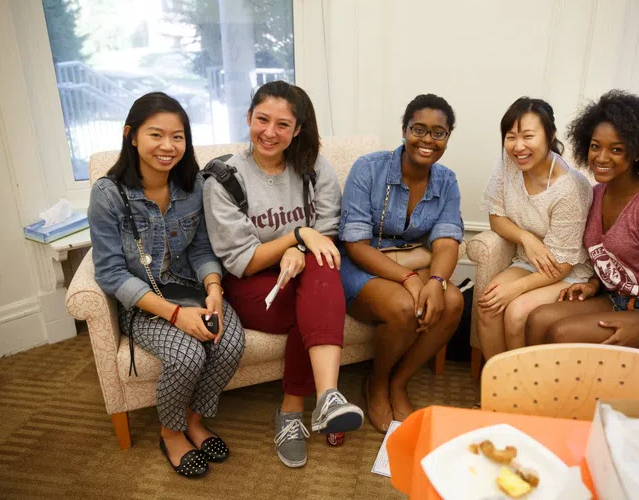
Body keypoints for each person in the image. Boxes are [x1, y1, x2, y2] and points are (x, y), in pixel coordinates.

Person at [202, 80, 363, 469]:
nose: (270, 133)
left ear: (297, 131)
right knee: (317, 304)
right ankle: (313, 403)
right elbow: (241, 260)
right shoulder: (223, 179)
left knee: (322, 271)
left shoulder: (313, 167)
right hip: (253, 284)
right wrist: (295, 235)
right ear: (248, 118)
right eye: (262, 120)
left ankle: (313, 403)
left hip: (305, 273)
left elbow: (326, 235)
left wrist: (301, 248)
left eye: (283, 125)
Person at [89, 92, 245, 478]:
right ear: (131, 136)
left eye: (178, 137)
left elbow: (202, 248)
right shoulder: (108, 195)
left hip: (192, 289)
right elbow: (110, 273)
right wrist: (175, 315)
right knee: (187, 355)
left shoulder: (192, 186)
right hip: (145, 303)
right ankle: (171, 431)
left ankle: (195, 420)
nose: (168, 146)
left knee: (229, 343)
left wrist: (213, 289)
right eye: (156, 134)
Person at [525, 90, 639, 358]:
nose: (601, 157)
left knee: (563, 334)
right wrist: (593, 283)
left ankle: (550, 399)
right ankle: (528, 396)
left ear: (637, 152)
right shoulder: (597, 193)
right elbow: (616, 260)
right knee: (538, 318)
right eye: (595, 146)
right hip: (618, 300)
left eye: (617, 149)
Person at [339, 94, 465, 433]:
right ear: (404, 130)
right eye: (419, 129)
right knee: (402, 307)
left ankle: (399, 382)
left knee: (453, 300)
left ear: (448, 136)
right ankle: (377, 383)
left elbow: (447, 241)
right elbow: (354, 244)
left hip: (412, 261)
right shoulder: (368, 168)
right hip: (362, 263)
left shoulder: (447, 180)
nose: (427, 140)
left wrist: (437, 283)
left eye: (439, 133)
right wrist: (411, 280)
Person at [476, 97, 593, 359]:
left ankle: (520, 396)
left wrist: (515, 289)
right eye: (510, 137)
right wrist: (526, 238)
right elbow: (497, 217)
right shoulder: (510, 163)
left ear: (550, 135)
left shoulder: (571, 188)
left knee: (517, 312)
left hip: (567, 270)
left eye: (528, 136)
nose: (518, 147)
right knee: (488, 304)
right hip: (528, 261)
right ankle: (497, 391)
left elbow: (562, 265)